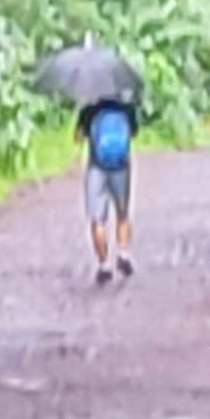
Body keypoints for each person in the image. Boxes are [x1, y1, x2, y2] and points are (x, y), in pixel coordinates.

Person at [77, 90, 138, 284]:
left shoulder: (89, 109)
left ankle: (104, 265)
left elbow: (78, 137)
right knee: (122, 214)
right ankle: (123, 253)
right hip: (122, 167)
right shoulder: (126, 107)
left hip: (96, 168)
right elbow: (133, 134)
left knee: (97, 219)